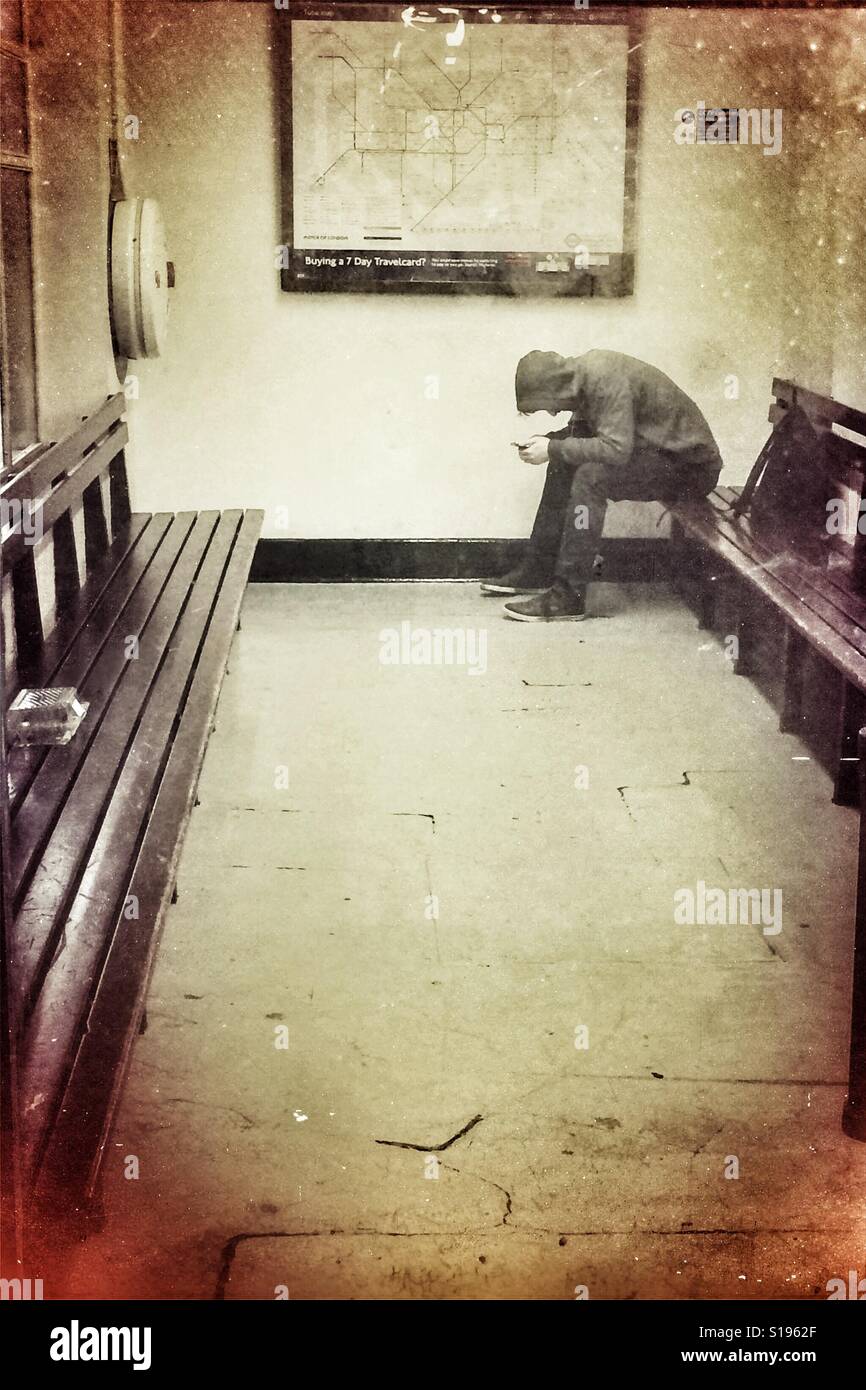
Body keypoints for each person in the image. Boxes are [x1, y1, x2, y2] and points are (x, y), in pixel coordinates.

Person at [482, 349, 723, 621]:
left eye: (546, 404)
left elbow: (615, 450)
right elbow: (583, 437)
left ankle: (569, 597)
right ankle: (540, 567)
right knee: (563, 460)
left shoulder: (604, 380)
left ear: (557, 387)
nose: (551, 412)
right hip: (660, 454)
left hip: (691, 469)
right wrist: (548, 441)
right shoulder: (584, 377)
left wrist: (552, 447)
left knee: (591, 476)